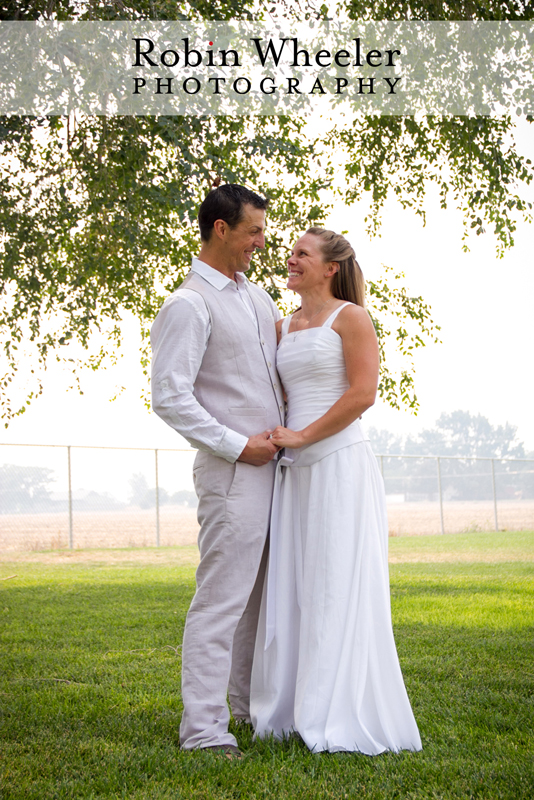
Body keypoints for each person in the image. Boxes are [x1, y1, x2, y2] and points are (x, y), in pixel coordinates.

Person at [250, 227, 422, 755]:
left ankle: (333, 711)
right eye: (291, 251)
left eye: (303, 253)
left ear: (330, 267)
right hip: (292, 472)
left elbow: (362, 393)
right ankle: (288, 707)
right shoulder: (281, 325)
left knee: (333, 583)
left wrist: (303, 435)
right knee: (295, 583)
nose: (290, 258)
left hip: (338, 463)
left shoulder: (351, 317)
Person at [151, 184, 284, 758]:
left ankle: (247, 709)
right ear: (221, 229)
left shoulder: (258, 300)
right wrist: (238, 446)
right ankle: (203, 731)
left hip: (278, 472)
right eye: (254, 230)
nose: (262, 241)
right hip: (233, 474)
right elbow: (169, 396)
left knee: (259, 599)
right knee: (221, 600)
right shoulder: (188, 304)